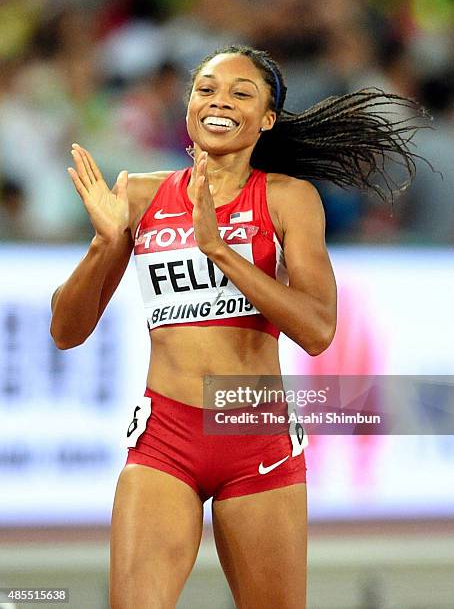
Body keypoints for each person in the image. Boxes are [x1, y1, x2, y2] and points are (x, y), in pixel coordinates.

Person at [50, 45, 429, 609]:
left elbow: (318, 329)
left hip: (254, 431)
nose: (218, 102)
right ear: (187, 108)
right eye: (205, 89)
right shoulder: (138, 195)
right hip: (166, 434)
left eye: (240, 92)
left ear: (267, 119)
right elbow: (66, 330)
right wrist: (107, 244)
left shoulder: (288, 199)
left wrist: (222, 252)